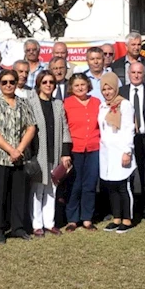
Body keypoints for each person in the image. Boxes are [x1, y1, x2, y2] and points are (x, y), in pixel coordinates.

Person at [0, 68, 37, 242]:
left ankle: (18, 227)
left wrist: (19, 149)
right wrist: (11, 150)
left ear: (16, 83)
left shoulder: (24, 103)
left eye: (11, 82)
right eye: (4, 82)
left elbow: (31, 127)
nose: (8, 85)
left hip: (20, 156)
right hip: (1, 156)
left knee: (19, 194)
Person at [26, 70, 70, 236]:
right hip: (38, 153)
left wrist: (65, 152)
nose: (48, 85)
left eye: (51, 82)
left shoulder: (58, 104)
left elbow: (65, 128)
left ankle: (49, 222)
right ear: (39, 84)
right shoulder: (31, 103)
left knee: (52, 188)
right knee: (38, 189)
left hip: (55, 151)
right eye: (44, 82)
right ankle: (37, 224)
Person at [120, 62, 145, 221]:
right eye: (133, 72)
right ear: (128, 74)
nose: (136, 75)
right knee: (127, 176)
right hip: (127, 140)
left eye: (139, 73)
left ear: (144, 75)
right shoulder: (121, 92)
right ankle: (128, 210)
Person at [98, 74, 137, 232]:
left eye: (110, 89)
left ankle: (127, 219)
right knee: (111, 186)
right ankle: (117, 217)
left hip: (121, 151)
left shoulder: (124, 104)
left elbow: (129, 129)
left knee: (122, 186)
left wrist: (127, 151)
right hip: (107, 153)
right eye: (104, 89)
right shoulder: (103, 106)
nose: (107, 92)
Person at [63, 72, 101, 231]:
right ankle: (72, 219)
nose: (80, 88)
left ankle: (87, 218)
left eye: (83, 85)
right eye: (76, 85)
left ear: (88, 85)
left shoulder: (97, 102)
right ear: (71, 88)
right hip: (75, 149)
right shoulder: (66, 103)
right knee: (75, 184)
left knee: (90, 184)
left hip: (94, 148)